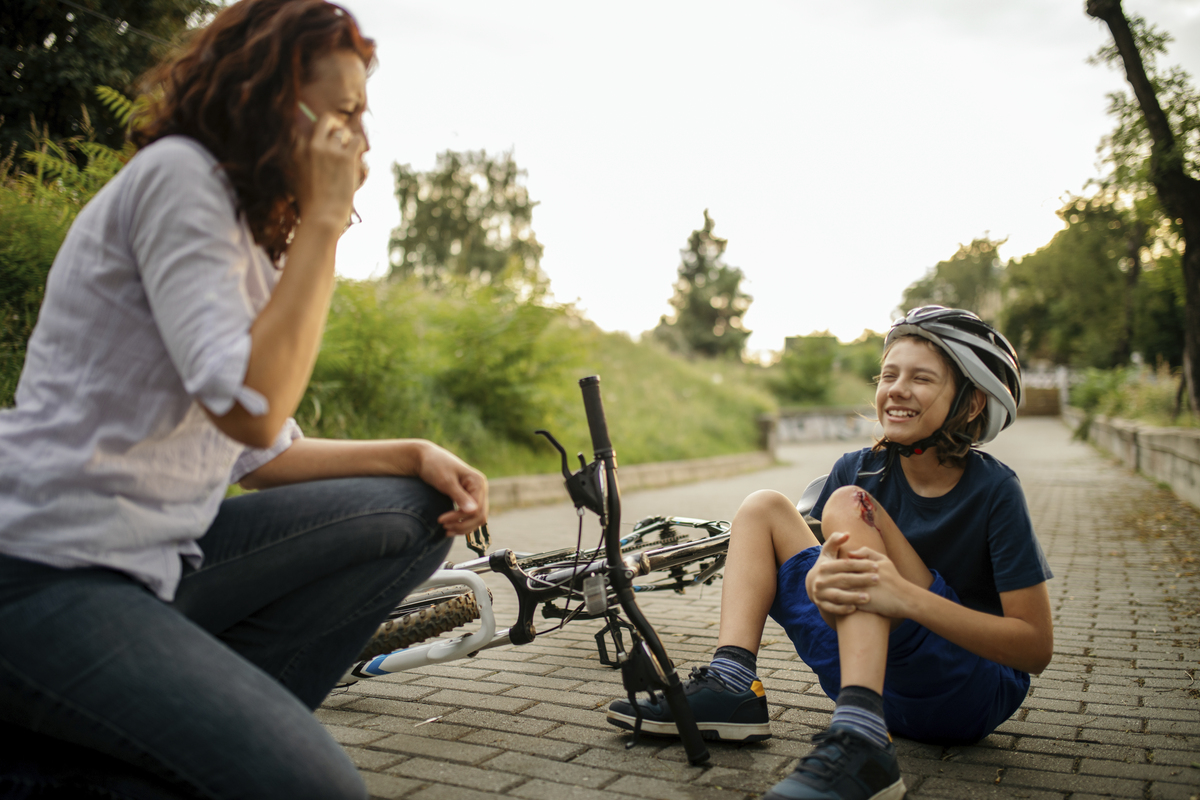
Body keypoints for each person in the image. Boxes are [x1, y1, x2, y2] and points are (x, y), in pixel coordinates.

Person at [0, 2, 487, 798]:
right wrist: (326, 223)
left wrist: (414, 454)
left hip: (150, 561)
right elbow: (252, 407)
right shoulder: (179, 178)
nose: (360, 140)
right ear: (271, 100)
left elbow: (264, 454)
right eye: (343, 113)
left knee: (410, 507)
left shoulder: (244, 234)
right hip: (43, 566)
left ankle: (189, 745)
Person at [608, 307, 1054, 800]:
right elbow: (843, 594)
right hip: (883, 679)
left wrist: (903, 598)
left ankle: (862, 741)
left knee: (846, 504)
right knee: (763, 507)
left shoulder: (995, 491)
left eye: (922, 378)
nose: (897, 388)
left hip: (964, 690)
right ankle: (733, 681)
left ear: (971, 404)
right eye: (889, 374)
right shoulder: (858, 468)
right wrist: (821, 583)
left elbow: (1034, 649)